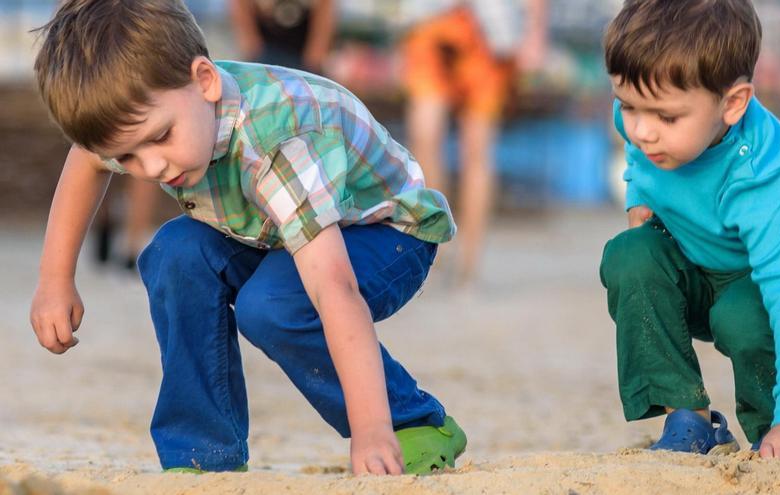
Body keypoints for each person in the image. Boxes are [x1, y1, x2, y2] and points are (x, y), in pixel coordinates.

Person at [29, 0, 465, 475]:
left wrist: (372, 431)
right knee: (175, 254)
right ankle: (202, 453)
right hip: (273, 231)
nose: (151, 167)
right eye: (128, 157)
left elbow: (333, 289)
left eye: (160, 138)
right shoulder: (147, 110)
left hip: (385, 233)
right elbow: (87, 158)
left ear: (205, 81)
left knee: (274, 305)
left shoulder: (276, 142)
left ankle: (412, 422)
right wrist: (55, 279)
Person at [598, 0, 780, 459]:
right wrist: (638, 193)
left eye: (666, 117)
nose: (642, 130)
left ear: (733, 103)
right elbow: (636, 150)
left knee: (742, 315)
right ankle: (689, 420)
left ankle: (775, 434)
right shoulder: (643, 119)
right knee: (629, 255)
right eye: (628, 105)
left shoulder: (762, 176)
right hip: (701, 259)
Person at [399, 0, 547, 285]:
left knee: (477, 151)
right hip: (430, 20)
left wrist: (535, 31)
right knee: (425, 136)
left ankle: (469, 261)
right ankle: (436, 244)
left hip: (492, 31)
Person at [228, 0, 335, 72]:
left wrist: (317, 50)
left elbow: (324, 9)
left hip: (303, 47)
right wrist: (251, 45)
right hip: (266, 44)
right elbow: (240, 5)